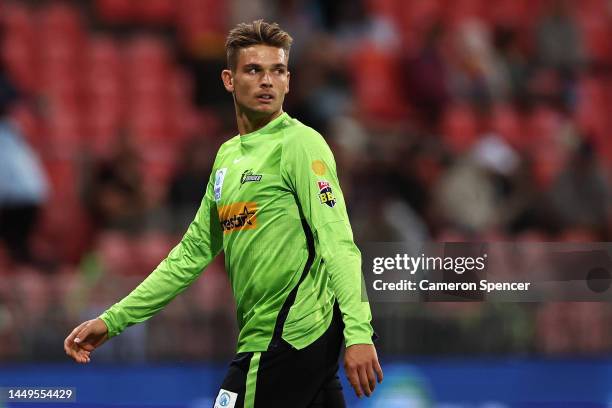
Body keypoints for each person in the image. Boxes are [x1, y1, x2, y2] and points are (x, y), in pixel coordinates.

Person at [64, 20, 382, 407]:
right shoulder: (227, 158)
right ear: (229, 80)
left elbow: (338, 242)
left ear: (288, 81)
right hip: (277, 340)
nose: (268, 81)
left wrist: (359, 332)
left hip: (286, 337)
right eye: (254, 70)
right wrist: (113, 320)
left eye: (277, 70)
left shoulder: (301, 145)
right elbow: (190, 255)